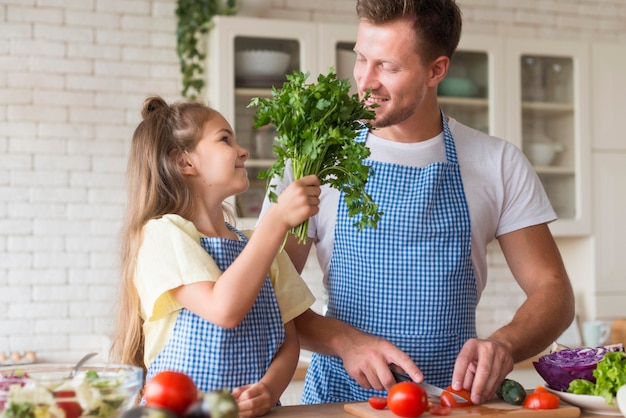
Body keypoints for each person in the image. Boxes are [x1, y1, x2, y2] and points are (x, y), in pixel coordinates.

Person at [258, 0, 575, 406]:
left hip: (454, 402)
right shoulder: (314, 158)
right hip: (339, 403)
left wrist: (505, 345)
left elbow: (553, 290)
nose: (365, 81)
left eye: (387, 66)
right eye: (360, 58)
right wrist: (344, 341)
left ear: (436, 70)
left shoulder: (497, 162)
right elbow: (268, 294)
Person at [111, 96, 321, 417]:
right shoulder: (161, 234)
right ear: (184, 162)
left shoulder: (256, 244)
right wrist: (276, 221)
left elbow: (288, 340)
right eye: (225, 139)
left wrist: (268, 389)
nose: (243, 151)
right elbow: (223, 309)